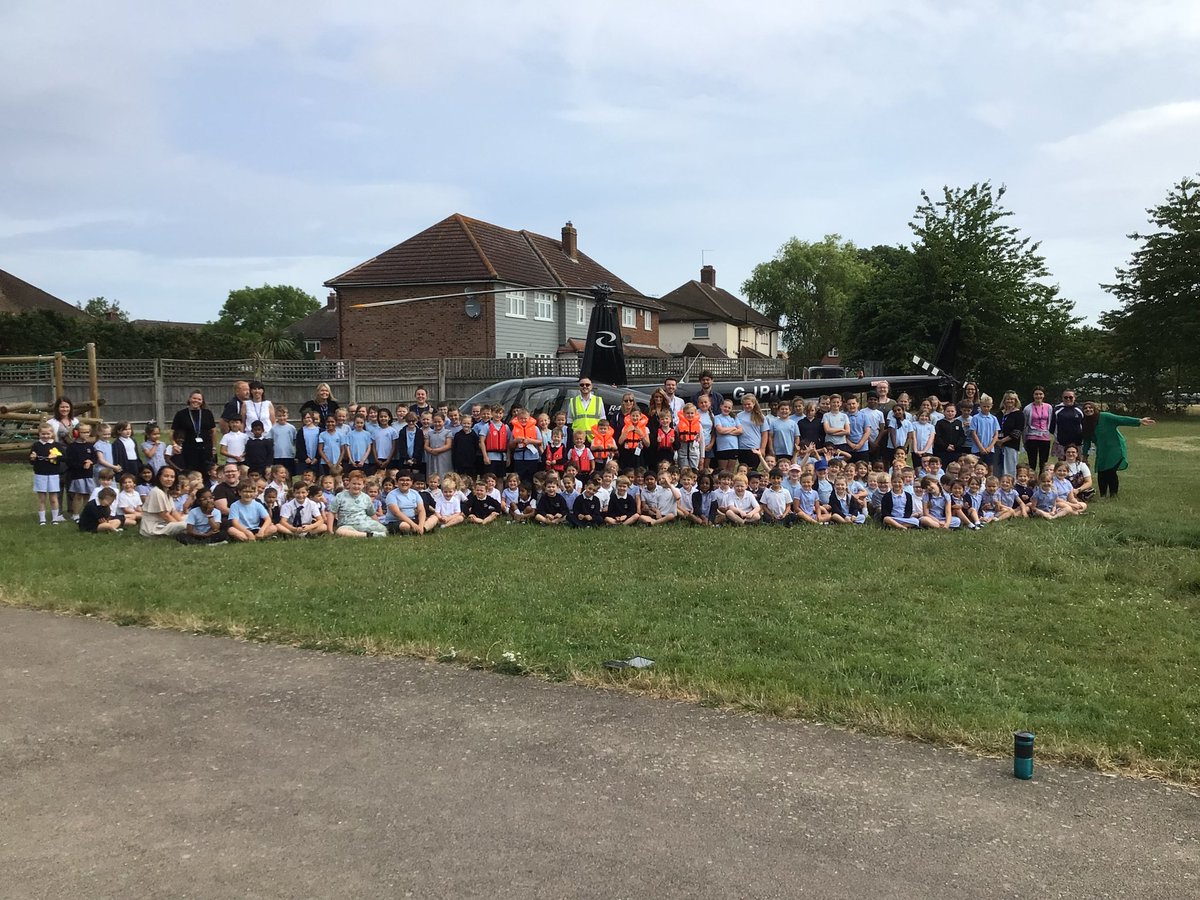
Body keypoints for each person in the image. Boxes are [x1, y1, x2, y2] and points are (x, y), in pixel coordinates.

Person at [1080, 402, 1155, 499]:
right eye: (1085, 408)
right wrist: (1085, 457)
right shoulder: (1085, 423)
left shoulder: (1105, 416)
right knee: (1101, 470)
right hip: (1102, 449)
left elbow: (1121, 419)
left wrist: (1139, 421)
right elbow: (1086, 441)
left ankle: (1113, 495)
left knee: (1110, 470)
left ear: (1095, 409)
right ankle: (1103, 495)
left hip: (1115, 447)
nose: (1088, 409)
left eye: (1090, 407)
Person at [326, 470, 386, 537]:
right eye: (354, 484)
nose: (356, 486)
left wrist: (379, 524)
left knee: (383, 529)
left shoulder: (366, 497)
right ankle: (367, 535)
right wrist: (330, 530)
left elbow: (372, 514)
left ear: (363, 485)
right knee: (340, 531)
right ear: (349, 483)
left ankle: (363, 533)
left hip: (364, 523)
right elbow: (331, 513)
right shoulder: (340, 496)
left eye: (359, 484)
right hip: (347, 525)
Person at [171, 390, 217, 472]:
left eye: (199, 399)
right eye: (194, 398)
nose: (196, 401)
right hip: (189, 449)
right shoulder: (181, 414)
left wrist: (213, 447)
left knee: (207, 471)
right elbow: (172, 432)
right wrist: (174, 445)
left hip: (206, 449)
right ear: (189, 399)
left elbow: (213, 431)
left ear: (202, 401)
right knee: (190, 472)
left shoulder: (207, 413)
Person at [30, 422, 66, 525]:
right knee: (41, 498)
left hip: (53, 474)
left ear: (52, 434)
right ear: (39, 434)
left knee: (53, 498)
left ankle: (55, 518)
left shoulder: (56, 445)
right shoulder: (36, 445)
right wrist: (32, 458)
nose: (45, 436)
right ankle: (42, 519)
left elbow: (64, 457)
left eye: (48, 434)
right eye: (43, 434)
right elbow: (31, 461)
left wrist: (56, 457)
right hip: (40, 474)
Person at [140, 466, 188, 537]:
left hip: (165, 523)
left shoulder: (167, 491)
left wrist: (181, 522)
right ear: (159, 477)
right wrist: (180, 525)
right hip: (154, 527)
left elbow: (173, 512)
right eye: (166, 476)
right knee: (185, 525)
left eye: (172, 477)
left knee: (188, 517)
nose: (169, 479)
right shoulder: (157, 492)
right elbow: (165, 516)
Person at [1022, 387, 1054, 476]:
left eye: (1040, 394)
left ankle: (1042, 479)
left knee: (1044, 463)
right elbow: (1025, 425)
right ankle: (1032, 479)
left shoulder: (1049, 407)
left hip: (1045, 437)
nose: (1038, 396)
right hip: (1032, 437)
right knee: (1032, 462)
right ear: (1033, 395)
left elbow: (1050, 421)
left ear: (1044, 395)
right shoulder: (1027, 408)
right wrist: (1024, 440)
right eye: (1036, 394)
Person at [995, 391, 1025, 479]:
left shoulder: (1019, 414)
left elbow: (1017, 431)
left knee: (1009, 470)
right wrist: (997, 440)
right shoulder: (999, 414)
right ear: (1004, 400)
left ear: (1016, 401)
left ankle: (1009, 485)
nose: (1010, 401)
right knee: (997, 469)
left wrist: (1002, 441)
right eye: (1008, 399)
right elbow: (993, 428)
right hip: (997, 445)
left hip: (1010, 445)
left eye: (1012, 399)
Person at [1050, 389, 1084, 461]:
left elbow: (1084, 425)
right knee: (1062, 465)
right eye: (1066, 397)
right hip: (1061, 443)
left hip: (1077, 443)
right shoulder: (1056, 410)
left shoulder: (1080, 410)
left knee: (1077, 464)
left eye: (1070, 397)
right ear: (1062, 398)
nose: (1068, 399)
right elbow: (1052, 427)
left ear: (1074, 398)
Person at [735, 394, 768, 470]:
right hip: (741, 448)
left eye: (749, 404)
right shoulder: (739, 416)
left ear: (753, 403)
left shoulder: (760, 416)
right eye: (744, 404)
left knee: (753, 470)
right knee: (743, 470)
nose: (747, 406)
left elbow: (764, 433)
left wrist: (762, 448)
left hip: (754, 448)